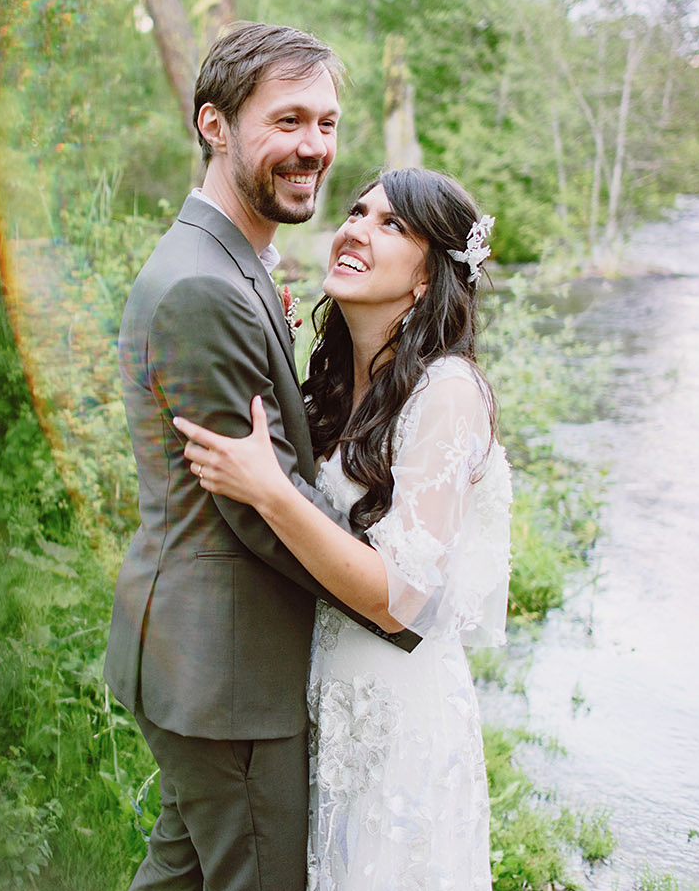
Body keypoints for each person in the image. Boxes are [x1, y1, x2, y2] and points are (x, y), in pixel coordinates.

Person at [104, 21, 418, 891]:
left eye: (325, 123)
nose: (313, 145)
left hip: (209, 665)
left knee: (181, 877)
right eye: (287, 121)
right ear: (216, 126)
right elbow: (258, 504)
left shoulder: (230, 261)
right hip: (228, 672)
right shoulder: (206, 283)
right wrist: (389, 595)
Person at [175, 168, 512, 890]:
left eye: (392, 224)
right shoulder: (334, 383)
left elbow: (404, 598)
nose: (357, 228)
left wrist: (270, 493)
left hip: (397, 724)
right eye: (357, 211)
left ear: (428, 279)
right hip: (320, 704)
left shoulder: (448, 393)